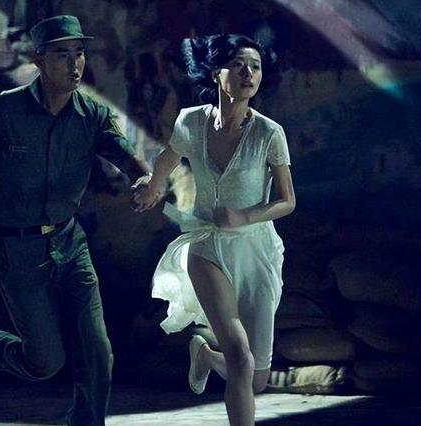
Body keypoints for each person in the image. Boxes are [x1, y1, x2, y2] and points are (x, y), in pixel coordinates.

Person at [0, 15, 148, 426]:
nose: (74, 63)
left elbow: (123, 154)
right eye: (62, 54)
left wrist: (145, 180)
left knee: (97, 352)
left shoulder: (92, 114)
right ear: (39, 60)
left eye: (79, 53)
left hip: (69, 242)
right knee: (44, 362)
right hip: (16, 248)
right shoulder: (4, 110)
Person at [133, 34, 295, 426]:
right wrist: (151, 187)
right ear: (215, 73)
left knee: (255, 379)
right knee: (240, 356)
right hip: (206, 246)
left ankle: (205, 355)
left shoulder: (269, 133)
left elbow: (287, 201)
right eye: (238, 65)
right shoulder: (190, 121)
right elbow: (166, 161)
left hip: (255, 252)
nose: (248, 73)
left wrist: (244, 217)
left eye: (255, 66)